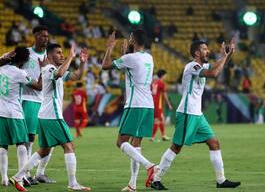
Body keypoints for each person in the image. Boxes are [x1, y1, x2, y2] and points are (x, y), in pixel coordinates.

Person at [149, 39, 241, 190]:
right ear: (197, 53)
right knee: (176, 147)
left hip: (197, 114)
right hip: (187, 113)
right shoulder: (192, 66)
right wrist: (225, 57)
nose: (208, 51)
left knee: (214, 143)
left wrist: (228, 55)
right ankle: (155, 179)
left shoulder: (201, 65)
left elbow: (216, 66)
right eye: (205, 49)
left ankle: (221, 180)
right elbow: (214, 72)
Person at [9, 43, 91, 191]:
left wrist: (82, 63)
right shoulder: (49, 69)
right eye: (58, 53)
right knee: (69, 146)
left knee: (44, 150)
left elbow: (76, 75)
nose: (62, 55)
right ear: (50, 56)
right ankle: (73, 184)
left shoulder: (53, 69)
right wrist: (72, 57)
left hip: (45, 115)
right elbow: (59, 74)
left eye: (62, 53)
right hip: (52, 115)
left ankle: (18, 176)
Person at [0, 26, 55, 184]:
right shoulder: (28, 54)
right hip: (28, 101)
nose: (45, 39)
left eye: (47, 36)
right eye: (42, 36)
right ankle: (25, 174)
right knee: (26, 139)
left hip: (44, 101)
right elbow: (36, 83)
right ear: (35, 36)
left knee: (46, 138)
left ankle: (37, 172)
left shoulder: (49, 55)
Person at [102, 30, 159, 192]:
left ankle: (150, 166)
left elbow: (105, 65)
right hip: (148, 105)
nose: (128, 39)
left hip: (135, 104)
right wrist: (125, 53)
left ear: (133, 41)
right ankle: (132, 184)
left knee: (121, 142)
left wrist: (110, 47)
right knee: (136, 144)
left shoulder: (129, 58)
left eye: (130, 38)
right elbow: (130, 69)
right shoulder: (149, 57)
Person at [0, 47, 42, 187]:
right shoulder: (20, 73)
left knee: (3, 145)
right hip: (14, 112)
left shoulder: (1, 68)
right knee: (22, 143)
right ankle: (20, 177)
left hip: (0, 111)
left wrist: (4, 56)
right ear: (24, 60)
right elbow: (39, 86)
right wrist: (43, 69)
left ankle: (4, 178)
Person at [151, 69, 173, 142]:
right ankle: (153, 137)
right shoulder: (161, 83)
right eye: (165, 75)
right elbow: (164, 94)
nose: (166, 77)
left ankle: (163, 135)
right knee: (157, 120)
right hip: (158, 104)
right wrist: (169, 104)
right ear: (163, 75)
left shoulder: (154, 83)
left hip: (153, 103)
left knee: (161, 119)